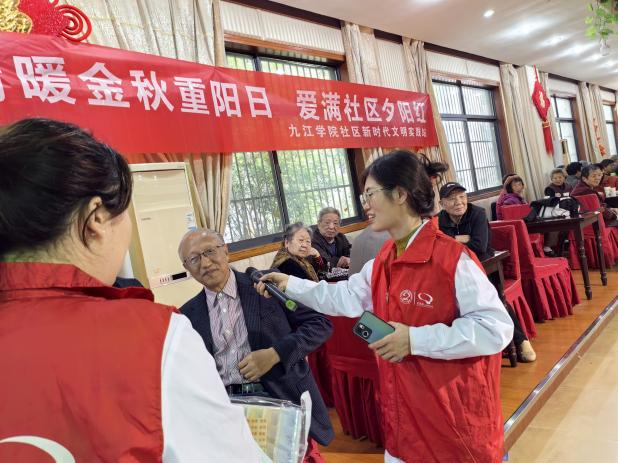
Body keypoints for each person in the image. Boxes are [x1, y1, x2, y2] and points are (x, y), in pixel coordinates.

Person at [0, 118, 264, 462]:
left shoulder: (259, 287)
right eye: (126, 213)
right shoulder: (152, 335)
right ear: (96, 218)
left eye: (211, 252)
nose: (205, 263)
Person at [256, 150, 513, 463]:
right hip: (403, 421)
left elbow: (495, 328)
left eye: (371, 194)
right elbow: (345, 296)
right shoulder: (384, 260)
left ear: (400, 194)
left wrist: (414, 340)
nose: (366, 205)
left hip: (452, 427)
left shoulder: (452, 260)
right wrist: (290, 284)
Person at [178, 229, 334, 462]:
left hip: (278, 399)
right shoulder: (187, 315)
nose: (205, 263)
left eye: (210, 251)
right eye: (194, 259)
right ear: (187, 268)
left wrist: (276, 354)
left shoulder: (266, 285)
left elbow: (320, 324)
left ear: (226, 251)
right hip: (226, 410)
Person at [438, 182, 536, 362]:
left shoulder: (477, 213)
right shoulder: (438, 220)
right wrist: (462, 238)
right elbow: (438, 246)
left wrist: (451, 240)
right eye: (451, 199)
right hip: (455, 270)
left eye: (462, 197)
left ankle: (521, 340)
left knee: (493, 296)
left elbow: (479, 245)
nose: (458, 202)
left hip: (485, 266)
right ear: (442, 204)